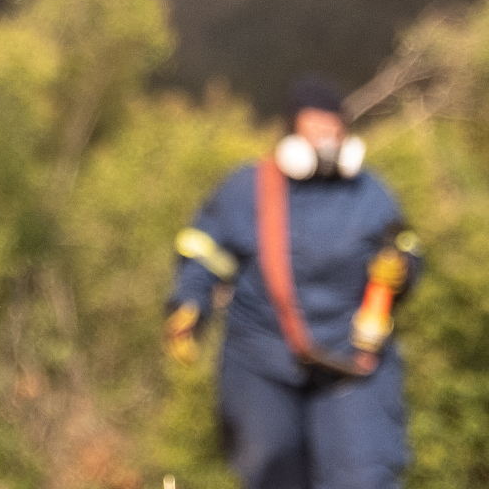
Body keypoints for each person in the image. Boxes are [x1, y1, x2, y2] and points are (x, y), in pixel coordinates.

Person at [163, 77, 420, 489]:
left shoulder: (372, 193)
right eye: (315, 130)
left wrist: (403, 270)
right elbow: (202, 249)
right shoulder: (248, 190)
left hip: (353, 362)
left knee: (364, 477)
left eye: (334, 130)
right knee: (271, 471)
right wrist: (188, 304)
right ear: (291, 133)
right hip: (261, 359)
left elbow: (406, 248)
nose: (325, 141)